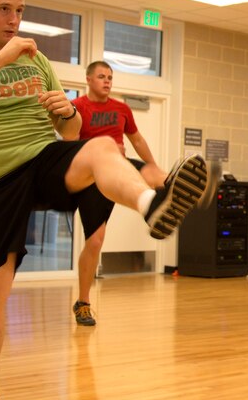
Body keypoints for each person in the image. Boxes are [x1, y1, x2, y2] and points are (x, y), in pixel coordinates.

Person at [0, 0, 217, 400]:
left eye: (20, 10)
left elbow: (70, 136)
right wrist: (1, 58)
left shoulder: (35, 60)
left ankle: (152, 203)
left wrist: (69, 112)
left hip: (41, 157)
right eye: (4, 9)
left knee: (102, 148)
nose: (15, 19)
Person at [69, 60, 172, 326]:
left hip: (121, 168)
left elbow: (136, 140)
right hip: (93, 177)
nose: (107, 81)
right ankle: (83, 303)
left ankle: (171, 194)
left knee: (157, 176)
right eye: (101, 76)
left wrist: (153, 164)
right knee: (95, 242)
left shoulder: (121, 109)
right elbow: (68, 145)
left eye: (110, 77)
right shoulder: (78, 107)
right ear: (89, 80)